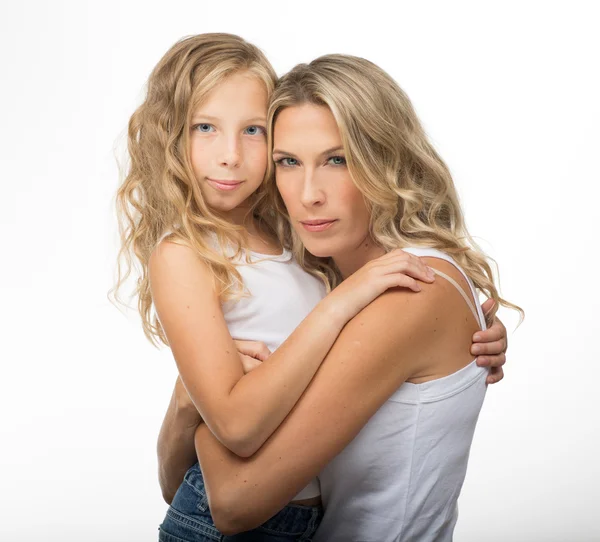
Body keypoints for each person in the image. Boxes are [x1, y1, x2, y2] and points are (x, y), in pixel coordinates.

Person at [114, 33, 509, 541]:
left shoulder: (392, 287)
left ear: (384, 157)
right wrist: (193, 401)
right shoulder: (326, 272)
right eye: (289, 161)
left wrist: (214, 417)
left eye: (337, 159)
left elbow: (231, 498)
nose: (308, 194)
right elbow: (186, 493)